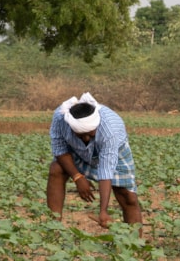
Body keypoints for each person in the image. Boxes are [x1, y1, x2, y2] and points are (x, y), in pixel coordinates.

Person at [46, 92, 142, 228]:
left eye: (90, 134)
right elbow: (60, 151)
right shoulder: (60, 118)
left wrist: (103, 211)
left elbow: (106, 169)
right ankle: (53, 228)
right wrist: (77, 177)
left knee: (128, 197)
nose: (86, 139)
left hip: (114, 151)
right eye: (80, 135)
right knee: (56, 169)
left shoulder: (109, 129)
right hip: (77, 150)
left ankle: (134, 244)